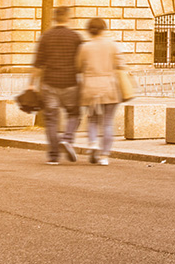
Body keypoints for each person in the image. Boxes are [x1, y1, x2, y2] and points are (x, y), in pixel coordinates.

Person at [30, 14, 83, 165]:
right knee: (74, 114)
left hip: (50, 83)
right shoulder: (75, 37)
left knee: (51, 119)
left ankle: (53, 156)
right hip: (70, 83)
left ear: (54, 18)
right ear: (67, 18)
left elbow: (38, 63)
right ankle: (67, 138)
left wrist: (31, 84)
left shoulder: (46, 37)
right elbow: (81, 61)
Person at [76, 18, 123, 165]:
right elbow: (121, 64)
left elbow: (78, 66)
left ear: (89, 30)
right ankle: (104, 156)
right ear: (104, 28)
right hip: (109, 87)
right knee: (108, 122)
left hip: (90, 88)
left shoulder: (85, 47)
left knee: (92, 119)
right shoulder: (112, 45)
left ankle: (93, 143)